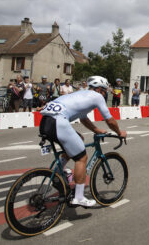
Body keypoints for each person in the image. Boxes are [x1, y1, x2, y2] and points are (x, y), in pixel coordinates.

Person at [39, 76, 127, 207]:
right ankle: (79, 197)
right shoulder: (96, 96)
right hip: (58, 123)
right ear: (98, 89)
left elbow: (83, 118)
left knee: (78, 139)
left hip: (45, 122)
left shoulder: (80, 94)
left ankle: (58, 171)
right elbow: (109, 120)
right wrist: (119, 133)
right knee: (81, 158)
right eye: (104, 91)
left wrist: (96, 129)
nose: (105, 94)